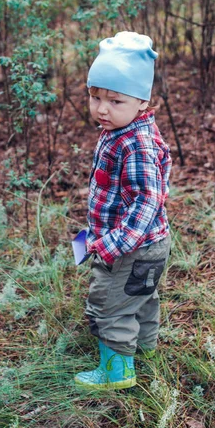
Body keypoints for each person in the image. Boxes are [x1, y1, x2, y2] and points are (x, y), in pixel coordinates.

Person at [75, 31, 172, 390]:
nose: (102, 108)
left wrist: (115, 244)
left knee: (112, 304)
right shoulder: (121, 129)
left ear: (142, 103)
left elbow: (148, 199)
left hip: (132, 247)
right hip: (150, 242)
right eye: (95, 96)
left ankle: (116, 373)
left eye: (115, 101)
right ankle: (144, 350)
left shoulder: (136, 145)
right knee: (141, 296)